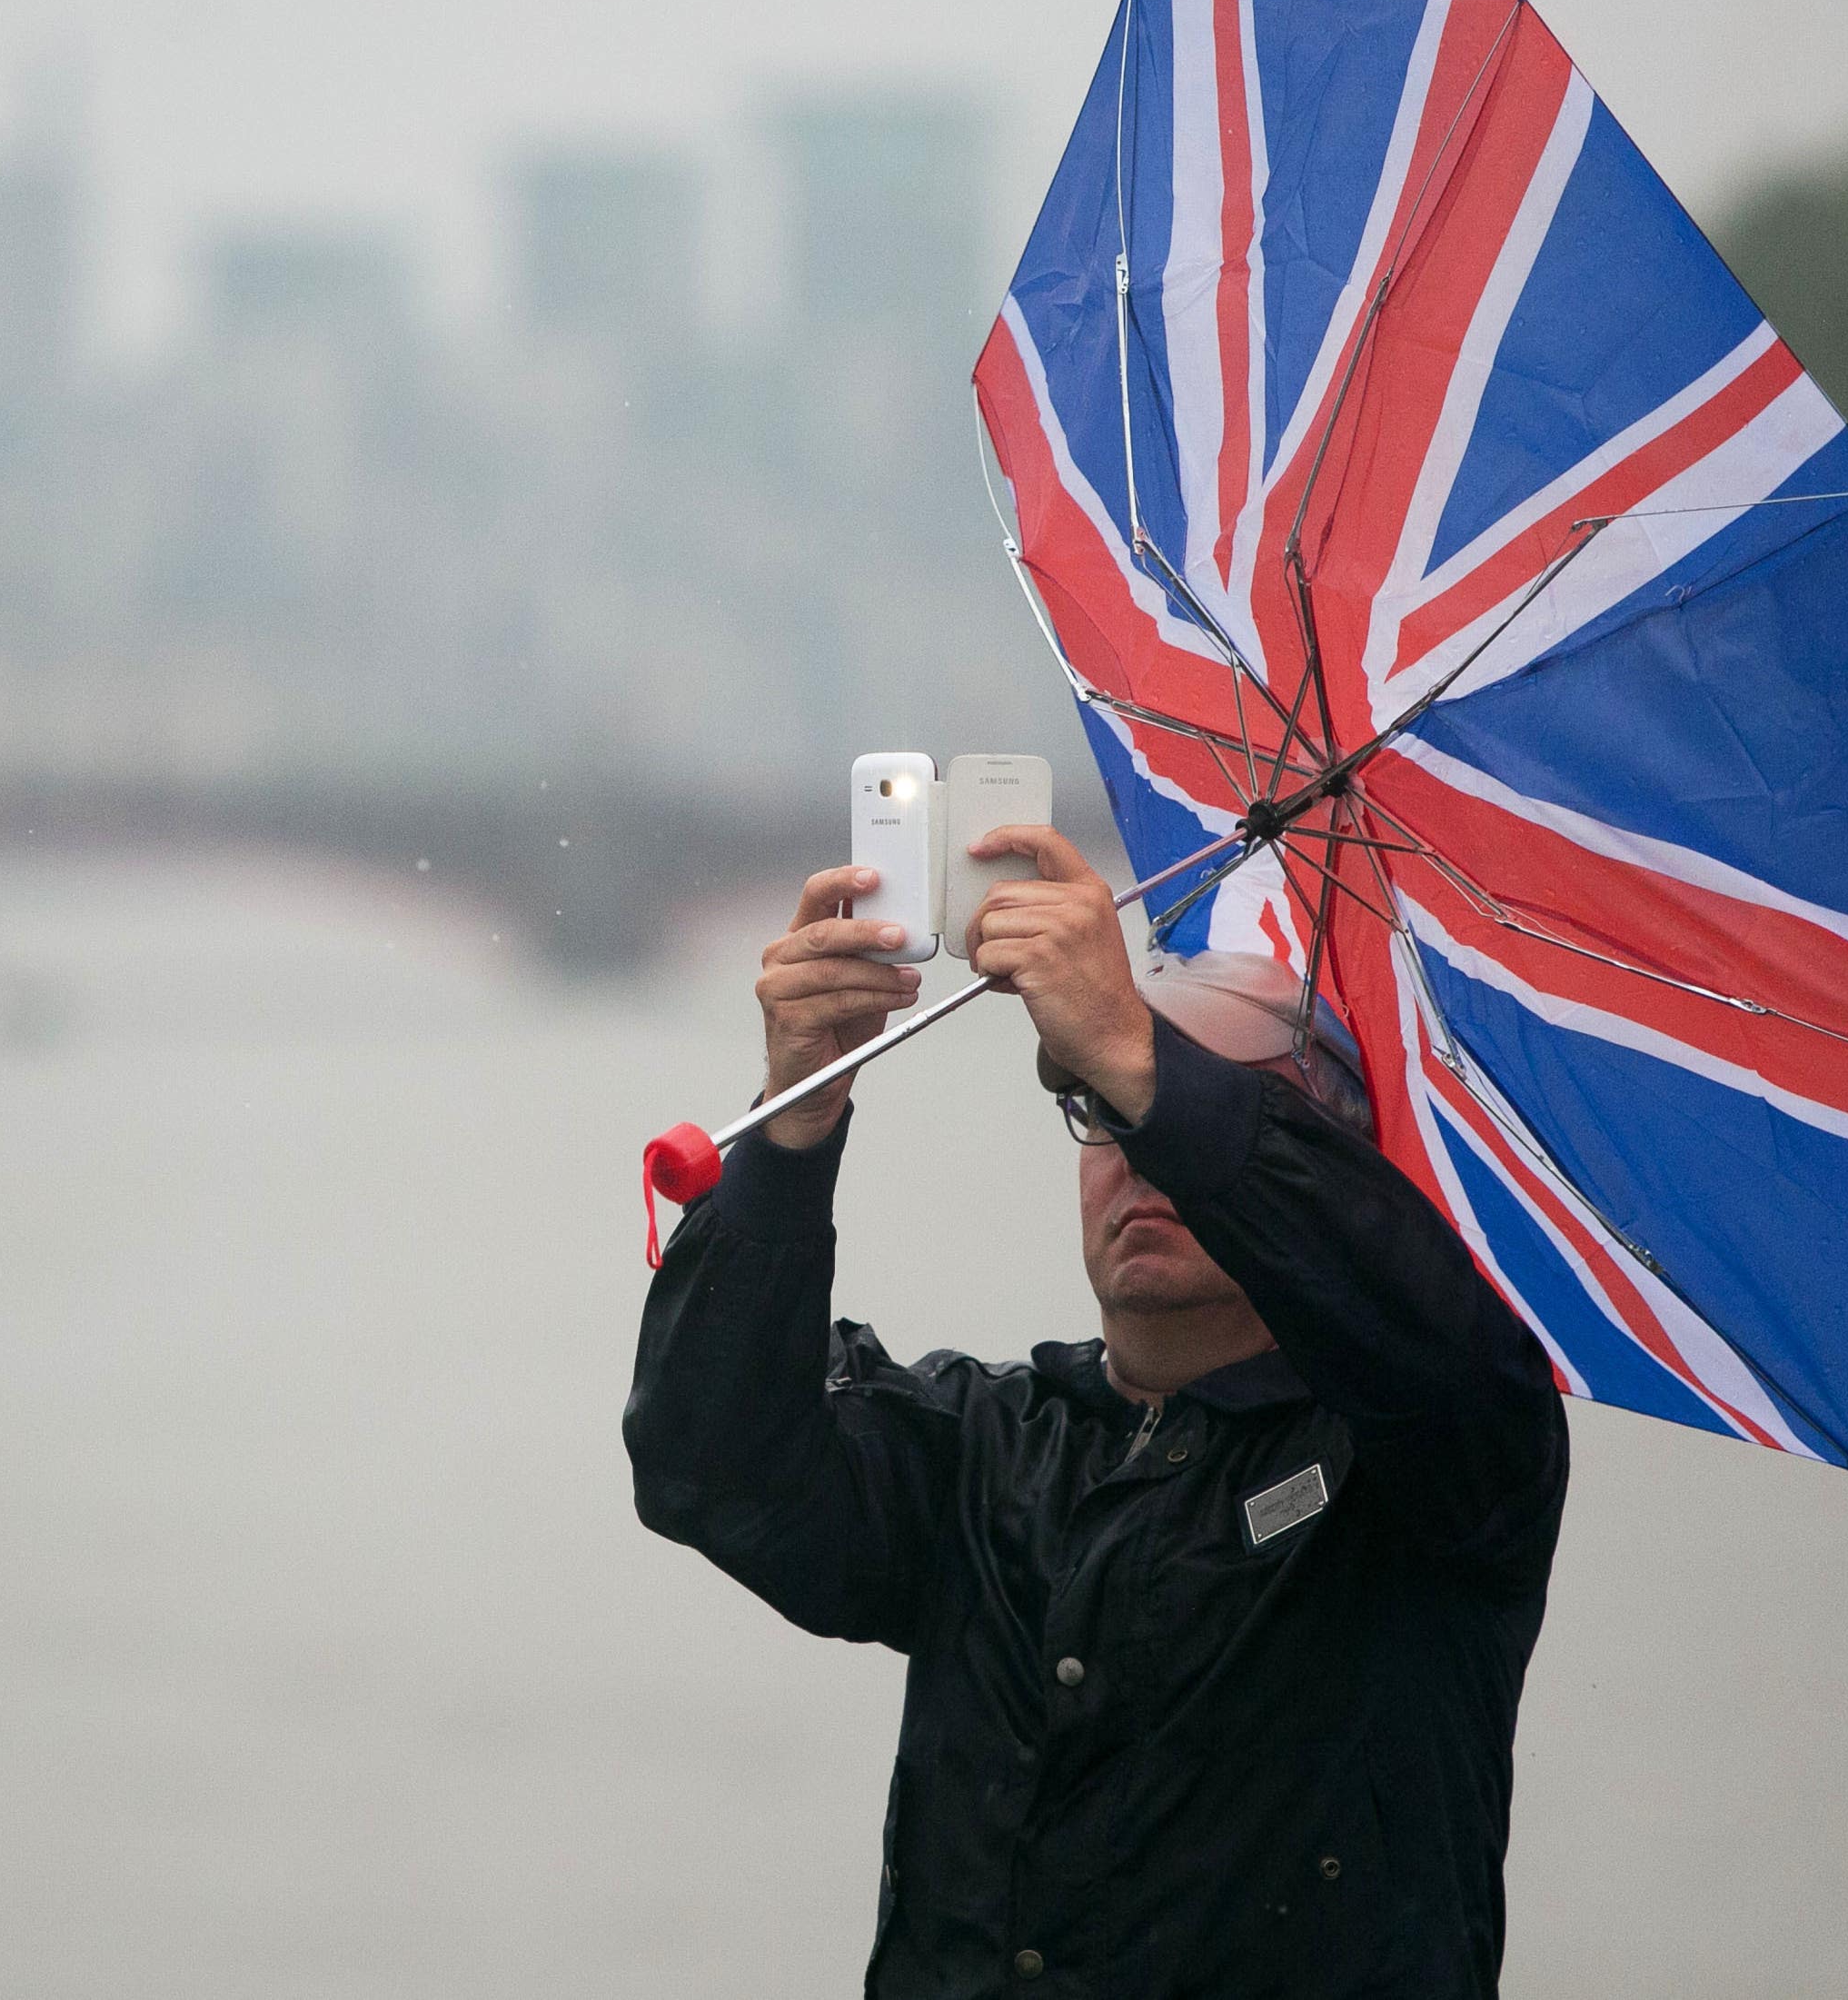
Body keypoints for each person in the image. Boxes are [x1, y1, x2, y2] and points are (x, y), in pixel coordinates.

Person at [624, 826, 1568, 1998]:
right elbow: (710, 1466)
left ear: (1327, 1159)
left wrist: (1136, 1051)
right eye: (1097, 1107)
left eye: (1170, 1106)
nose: (1136, 1149)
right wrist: (791, 1126)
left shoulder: (1432, 1461)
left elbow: (1429, 1337)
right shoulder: (993, 1449)